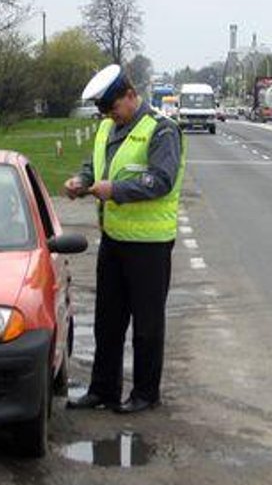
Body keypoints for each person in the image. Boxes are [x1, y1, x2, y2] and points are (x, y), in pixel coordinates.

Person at [64, 64, 185, 414]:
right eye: (104, 111)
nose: (110, 116)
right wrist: (80, 181)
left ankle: (146, 393)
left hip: (150, 245)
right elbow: (95, 166)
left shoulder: (162, 130)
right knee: (108, 321)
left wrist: (114, 190)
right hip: (114, 240)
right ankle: (103, 389)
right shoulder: (107, 127)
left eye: (113, 108)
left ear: (131, 95)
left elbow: (160, 180)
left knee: (146, 326)